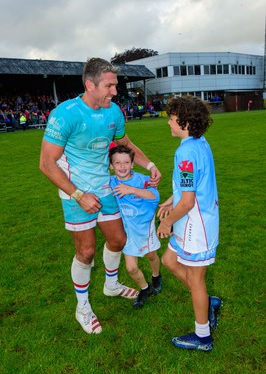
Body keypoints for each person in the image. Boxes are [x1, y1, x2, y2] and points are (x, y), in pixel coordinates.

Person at [39, 57, 161, 335]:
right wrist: (79, 194)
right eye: (109, 86)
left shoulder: (113, 112)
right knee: (86, 251)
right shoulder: (65, 113)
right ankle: (82, 307)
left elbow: (125, 144)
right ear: (90, 85)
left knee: (118, 240)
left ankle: (111, 285)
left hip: (106, 188)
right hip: (75, 192)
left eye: (115, 86)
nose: (115, 92)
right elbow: (46, 164)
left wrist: (150, 165)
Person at [157, 96, 221, 352]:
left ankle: (203, 337)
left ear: (184, 122)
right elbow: (191, 185)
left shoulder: (186, 151)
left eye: (172, 119)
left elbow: (188, 201)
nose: (169, 123)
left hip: (196, 225)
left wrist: (167, 222)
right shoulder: (198, 142)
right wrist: (172, 199)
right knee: (169, 261)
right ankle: (207, 303)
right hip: (194, 219)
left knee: (196, 280)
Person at [109, 145, 162, 309]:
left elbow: (154, 196)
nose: (122, 166)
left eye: (126, 162)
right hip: (128, 231)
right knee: (131, 268)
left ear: (132, 164)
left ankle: (156, 276)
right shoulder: (110, 182)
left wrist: (130, 189)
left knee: (151, 255)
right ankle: (145, 289)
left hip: (145, 228)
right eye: (117, 163)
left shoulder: (142, 180)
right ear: (111, 166)